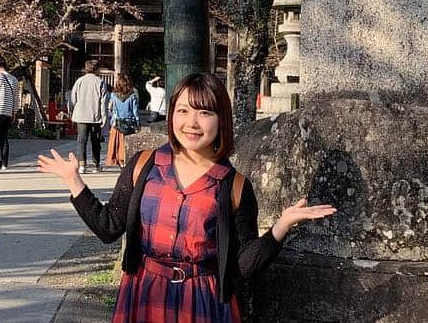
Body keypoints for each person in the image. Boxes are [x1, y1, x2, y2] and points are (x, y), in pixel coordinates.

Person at [38, 72, 336, 322]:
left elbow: (242, 265)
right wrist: (73, 180)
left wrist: (281, 227)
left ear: (221, 120)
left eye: (204, 112)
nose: (191, 122)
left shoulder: (234, 186)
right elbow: (109, 227)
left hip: (202, 301)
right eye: (183, 110)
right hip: (144, 292)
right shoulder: (144, 165)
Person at [69, 59, 107, 174]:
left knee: (81, 140)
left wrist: (72, 112)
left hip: (81, 115)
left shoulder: (79, 81)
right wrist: (104, 117)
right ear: (96, 69)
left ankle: (82, 165)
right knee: (95, 141)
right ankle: (96, 164)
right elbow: (103, 102)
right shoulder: (100, 82)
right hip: (95, 116)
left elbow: (72, 99)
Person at [105, 74, 140, 169]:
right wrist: (138, 123)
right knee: (127, 144)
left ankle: (120, 162)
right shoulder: (132, 96)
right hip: (129, 123)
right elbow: (135, 111)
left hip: (117, 124)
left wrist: (112, 123)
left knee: (117, 145)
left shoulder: (114, 96)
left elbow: (114, 111)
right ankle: (126, 161)